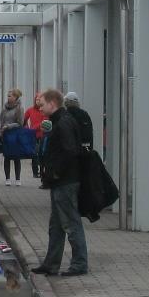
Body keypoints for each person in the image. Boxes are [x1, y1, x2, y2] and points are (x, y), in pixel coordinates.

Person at [31, 89, 89, 277]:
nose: (40, 108)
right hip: (61, 181)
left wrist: (55, 173)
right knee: (56, 225)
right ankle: (51, 263)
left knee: (70, 224)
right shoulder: (60, 121)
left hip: (64, 181)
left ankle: (79, 264)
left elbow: (69, 151)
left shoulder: (62, 123)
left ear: (52, 104)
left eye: (42, 104)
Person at [0, 88, 23, 186]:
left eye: (10, 96)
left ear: (15, 97)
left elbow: (20, 123)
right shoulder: (4, 108)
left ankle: (18, 179)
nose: (8, 97)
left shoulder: (19, 108)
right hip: (5, 134)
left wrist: (8, 126)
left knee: (16, 157)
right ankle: (7, 178)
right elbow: (1, 120)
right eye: (8, 96)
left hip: (15, 134)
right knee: (7, 156)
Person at [23, 91, 47, 178]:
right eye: (37, 99)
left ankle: (42, 171)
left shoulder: (44, 111)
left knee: (42, 153)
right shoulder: (30, 110)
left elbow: (44, 122)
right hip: (33, 135)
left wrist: (34, 128)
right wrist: (27, 128)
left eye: (40, 100)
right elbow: (23, 120)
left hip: (43, 135)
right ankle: (35, 172)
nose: (38, 101)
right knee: (34, 154)